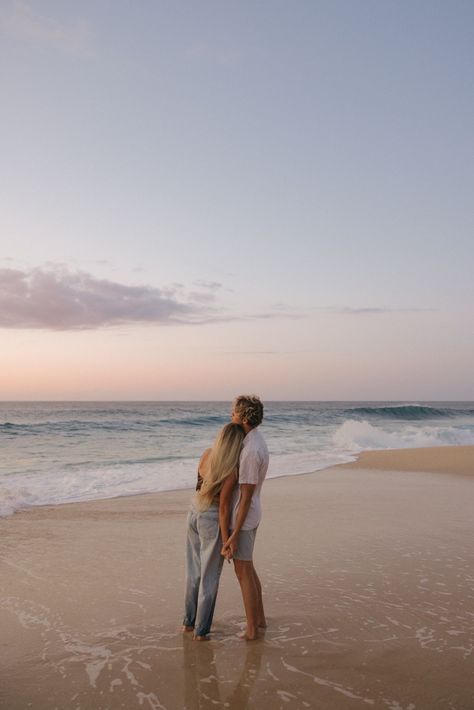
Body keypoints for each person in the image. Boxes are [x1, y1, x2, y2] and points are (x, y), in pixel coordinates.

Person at [182, 422, 245, 640]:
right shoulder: (230, 469)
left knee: (194, 572)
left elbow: (199, 487)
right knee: (209, 577)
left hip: (193, 511)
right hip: (211, 518)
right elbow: (224, 507)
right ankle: (201, 632)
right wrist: (227, 542)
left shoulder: (206, 455)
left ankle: (188, 623)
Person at [222, 395, 269, 641]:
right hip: (250, 514)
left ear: (243, 417)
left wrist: (233, 533)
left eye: (233, 412)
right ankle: (259, 620)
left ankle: (251, 629)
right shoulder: (255, 441)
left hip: (246, 517)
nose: (231, 415)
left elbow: (246, 496)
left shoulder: (251, 450)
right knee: (248, 569)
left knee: (243, 573)